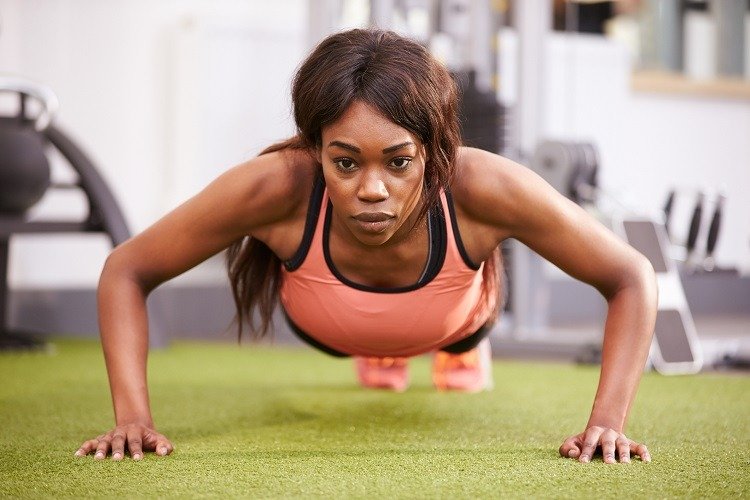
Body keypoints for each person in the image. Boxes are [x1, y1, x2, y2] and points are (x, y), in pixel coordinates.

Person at [75, 28, 656, 465]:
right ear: (316, 149)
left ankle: (452, 351)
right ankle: (382, 352)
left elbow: (631, 276)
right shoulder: (276, 184)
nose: (371, 190)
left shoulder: (483, 185)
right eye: (345, 162)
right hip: (323, 320)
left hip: (455, 317)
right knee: (373, 338)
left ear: (434, 152)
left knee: (456, 330)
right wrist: (132, 418)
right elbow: (126, 270)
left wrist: (608, 423)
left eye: (399, 162)